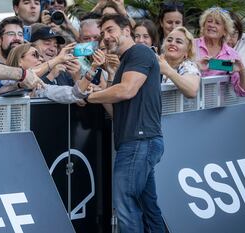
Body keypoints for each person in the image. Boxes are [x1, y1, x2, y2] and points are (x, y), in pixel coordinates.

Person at [85, 14, 165, 233]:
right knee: (149, 208)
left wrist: (88, 97)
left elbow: (127, 90)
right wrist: (100, 93)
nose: (106, 37)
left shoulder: (139, 51)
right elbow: (115, 108)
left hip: (139, 142)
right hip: (138, 142)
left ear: (127, 31)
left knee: (126, 206)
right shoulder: (125, 63)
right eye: (103, 34)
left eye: (111, 30)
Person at [6, 43, 91, 103]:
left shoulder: (40, 87)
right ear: (19, 61)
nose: (41, 59)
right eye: (34, 55)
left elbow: (71, 94)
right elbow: (26, 75)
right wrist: (58, 59)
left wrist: (91, 73)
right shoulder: (5, 80)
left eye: (41, 56)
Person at [195, 7, 245, 97]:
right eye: (209, 21)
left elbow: (243, 92)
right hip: (189, 106)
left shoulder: (231, 55)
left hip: (216, 107)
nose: (212, 25)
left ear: (225, 31)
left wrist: (242, 70)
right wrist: (196, 66)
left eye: (217, 23)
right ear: (203, 25)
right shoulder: (190, 45)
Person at [158, 26, 200, 98]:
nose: (172, 43)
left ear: (187, 51)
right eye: (169, 40)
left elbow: (192, 91)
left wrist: (167, 70)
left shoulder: (188, 66)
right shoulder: (157, 61)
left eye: (178, 42)